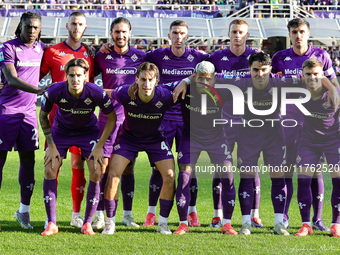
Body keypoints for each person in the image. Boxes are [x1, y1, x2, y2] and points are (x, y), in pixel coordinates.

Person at [271, 18, 339, 230]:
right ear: (289, 35)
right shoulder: (280, 57)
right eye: (294, 32)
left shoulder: (322, 56)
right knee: (288, 170)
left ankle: (316, 220)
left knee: (314, 171)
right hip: (288, 121)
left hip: (314, 124)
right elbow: (272, 85)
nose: (298, 35)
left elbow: (333, 84)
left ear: (308, 33)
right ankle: (284, 216)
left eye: (301, 31)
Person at [144, 20, 209, 228]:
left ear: (187, 36)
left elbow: (210, 73)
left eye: (182, 33)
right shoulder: (156, 56)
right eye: (175, 33)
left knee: (188, 169)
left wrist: (188, 80)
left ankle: (192, 212)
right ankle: (151, 212)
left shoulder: (199, 58)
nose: (178, 37)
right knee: (158, 168)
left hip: (190, 120)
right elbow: (136, 61)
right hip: (163, 120)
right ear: (169, 36)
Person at [40, 58, 116, 236]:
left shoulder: (96, 92)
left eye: (79, 75)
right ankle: (51, 223)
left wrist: (100, 146)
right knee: (50, 168)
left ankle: (87, 223)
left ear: (86, 76)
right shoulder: (54, 91)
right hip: (61, 131)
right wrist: (51, 145)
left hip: (88, 132)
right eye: (72, 75)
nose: (75, 79)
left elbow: (111, 118)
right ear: (66, 76)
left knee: (98, 170)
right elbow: (43, 116)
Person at [102, 62, 176, 235]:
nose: (146, 84)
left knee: (170, 176)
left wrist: (187, 82)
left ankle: (163, 223)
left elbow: (187, 94)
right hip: (129, 139)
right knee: (113, 174)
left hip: (155, 139)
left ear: (156, 81)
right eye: (143, 79)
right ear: (136, 80)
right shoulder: (125, 93)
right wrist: (85, 89)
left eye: (151, 80)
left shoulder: (165, 96)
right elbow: (107, 94)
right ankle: (110, 222)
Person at [40, 11, 94, 229]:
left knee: (77, 165)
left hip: (82, 121)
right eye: (73, 23)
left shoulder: (89, 53)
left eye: (81, 24)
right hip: (56, 120)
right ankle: (50, 217)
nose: (77, 27)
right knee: (53, 165)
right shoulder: (52, 51)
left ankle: (76, 214)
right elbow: (37, 75)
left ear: (85, 27)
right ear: (67, 25)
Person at [208, 19, 263, 228]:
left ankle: (255, 214)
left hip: (251, 121)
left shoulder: (256, 57)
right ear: (228, 34)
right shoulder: (215, 57)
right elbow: (202, 76)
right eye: (234, 32)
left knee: (250, 168)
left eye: (241, 32)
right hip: (224, 121)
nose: (237, 35)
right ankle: (217, 213)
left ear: (247, 35)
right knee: (222, 167)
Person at [92, 17, 146, 230]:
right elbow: (86, 76)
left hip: (132, 120)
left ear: (130, 33)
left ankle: (127, 214)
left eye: (124, 32)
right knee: (102, 168)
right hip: (107, 119)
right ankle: (99, 214)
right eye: (116, 32)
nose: (120, 36)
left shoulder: (141, 57)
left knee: (128, 168)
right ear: (111, 33)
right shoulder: (102, 56)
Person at [172, 61, 237, 235]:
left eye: (208, 79)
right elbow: (158, 87)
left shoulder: (223, 90)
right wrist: (184, 82)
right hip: (190, 137)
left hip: (216, 137)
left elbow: (247, 81)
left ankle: (227, 223)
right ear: (194, 76)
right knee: (184, 177)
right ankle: (183, 223)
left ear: (214, 79)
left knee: (228, 175)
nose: (204, 83)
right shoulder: (184, 88)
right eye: (200, 78)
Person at [0, 11, 46, 230]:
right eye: (28, 27)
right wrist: (39, 90)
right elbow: (10, 78)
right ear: (21, 26)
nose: (32, 31)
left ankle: (24, 212)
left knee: (29, 161)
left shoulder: (41, 48)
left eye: (36, 28)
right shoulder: (8, 47)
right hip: (6, 112)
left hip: (28, 114)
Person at [294, 58, 340, 237]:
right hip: (308, 142)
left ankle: (336, 224)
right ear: (302, 75)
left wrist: (332, 88)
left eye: (316, 74)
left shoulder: (334, 93)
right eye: (308, 74)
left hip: (333, 141)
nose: (312, 78)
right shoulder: (297, 89)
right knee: (303, 180)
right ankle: (306, 225)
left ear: (322, 75)